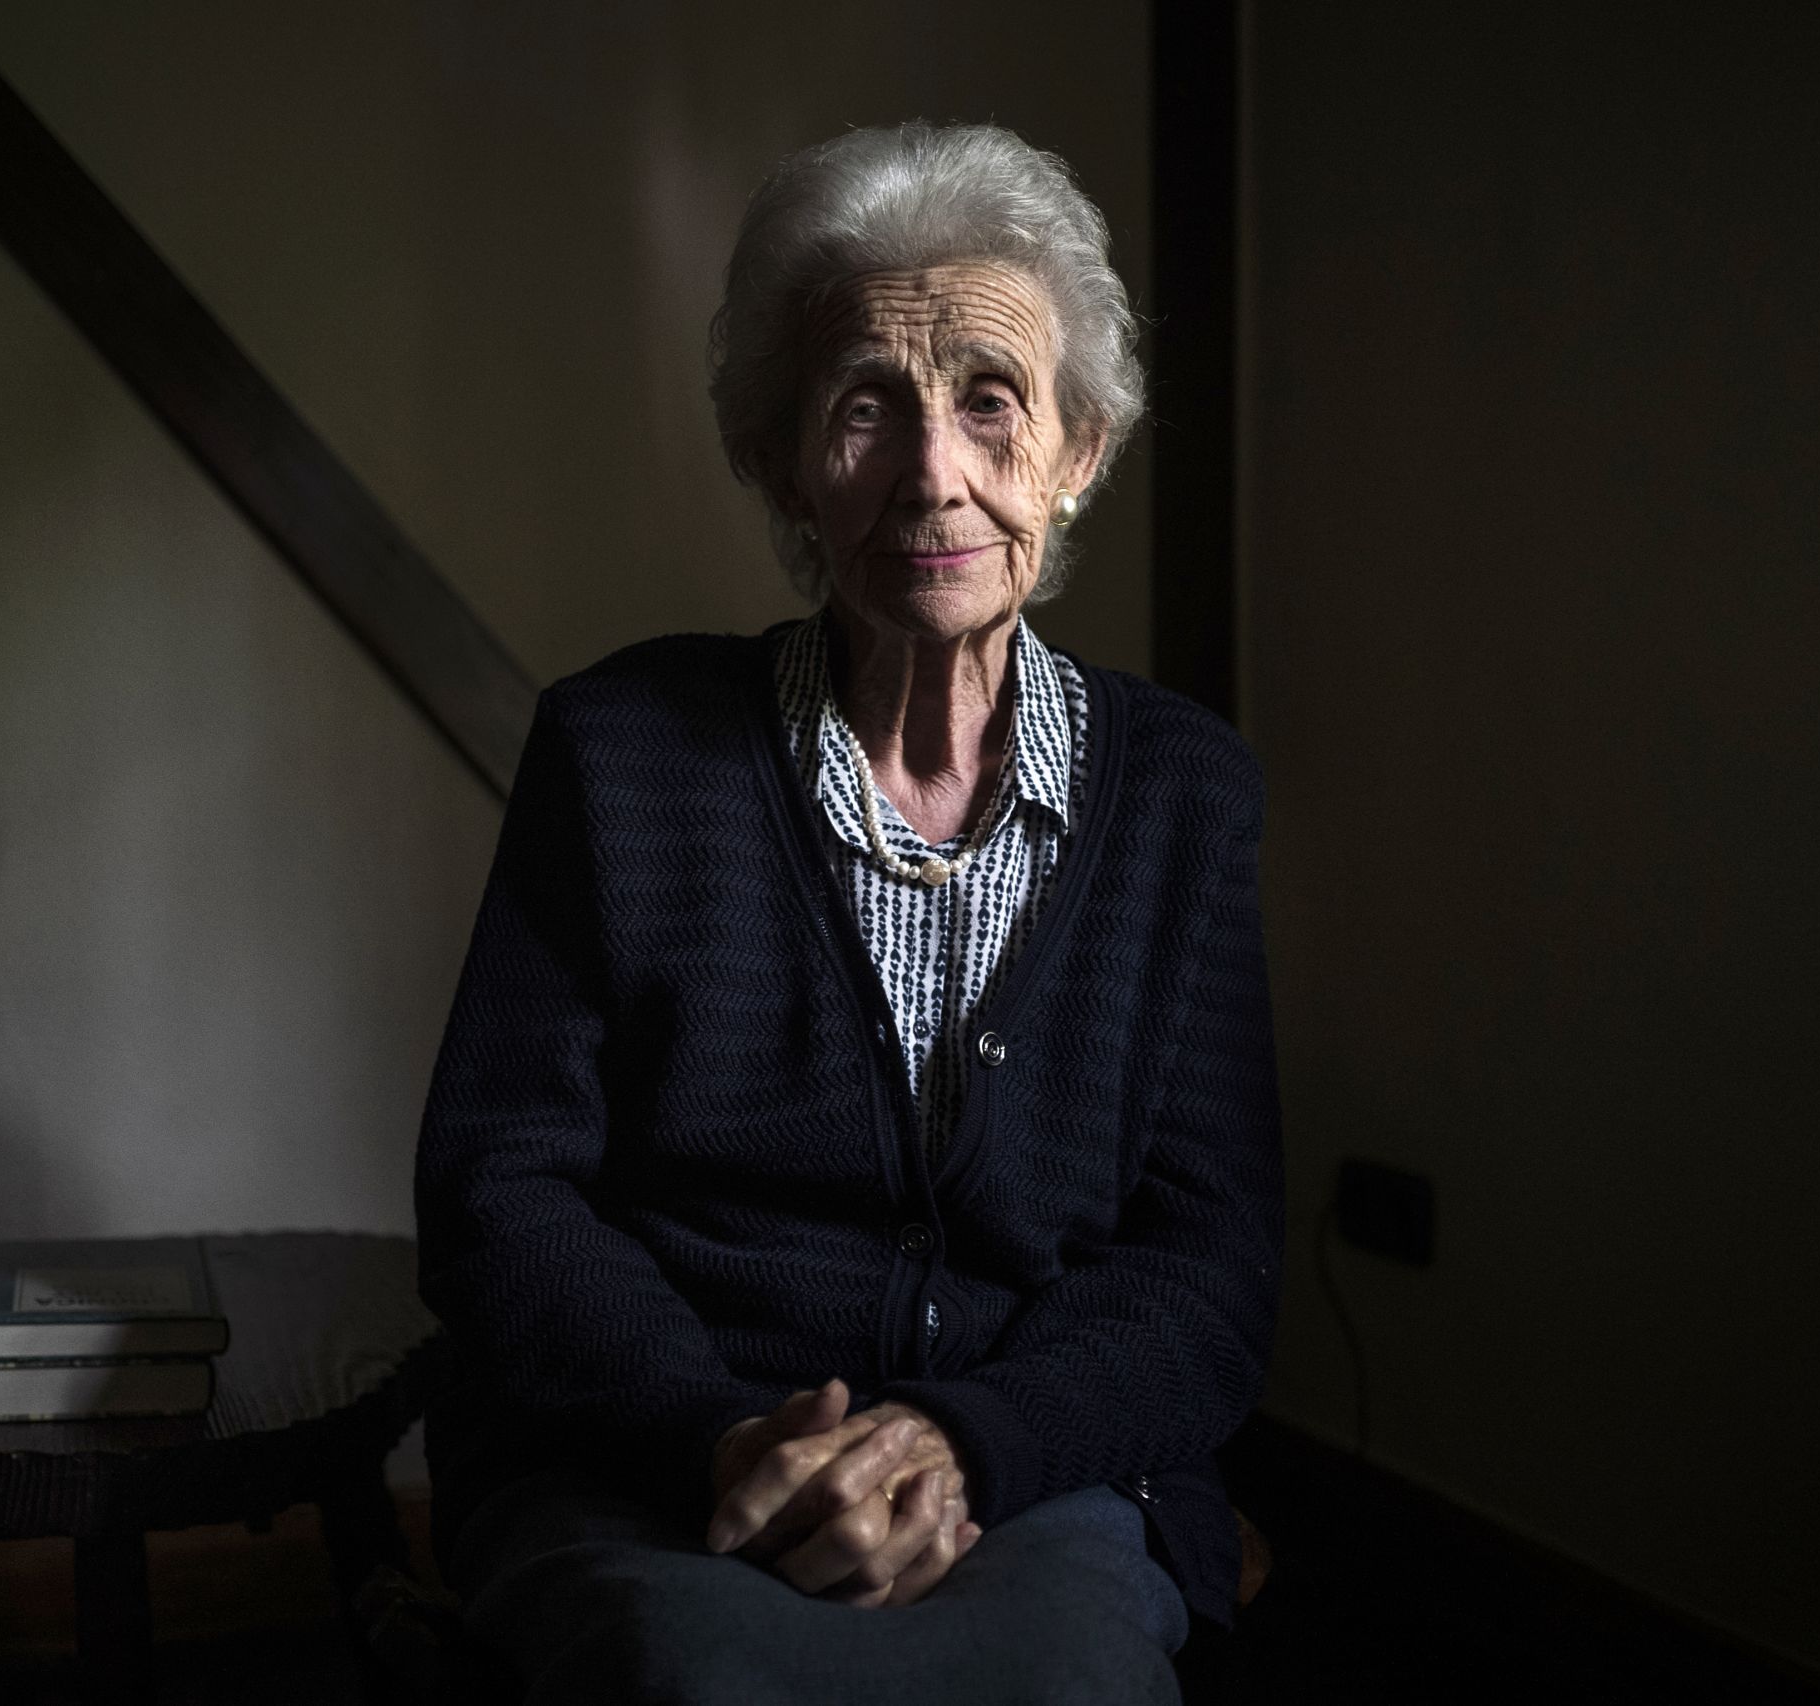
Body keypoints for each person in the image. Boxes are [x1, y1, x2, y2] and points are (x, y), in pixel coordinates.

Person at [415, 120, 1282, 1705]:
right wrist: (722, 1433)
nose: (933, 471)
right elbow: (500, 1191)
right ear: (781, 462)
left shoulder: (1181, 794)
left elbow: (1212, 1261)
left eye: (991, 401)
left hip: (1032, 1466)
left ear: (1078, 450)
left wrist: (969, 1436)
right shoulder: (619, 755)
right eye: (866, 405)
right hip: (663, 1457)